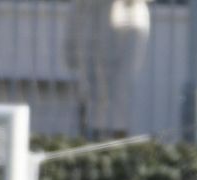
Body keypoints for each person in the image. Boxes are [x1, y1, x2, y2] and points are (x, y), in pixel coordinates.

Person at [63, 0, 150, 140]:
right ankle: (91, 142)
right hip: (89, 19)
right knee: (89, 93)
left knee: (120, 96)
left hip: (127, 20)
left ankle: (114, 145)